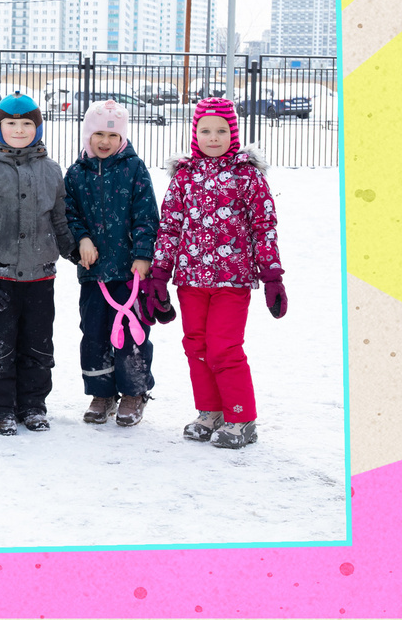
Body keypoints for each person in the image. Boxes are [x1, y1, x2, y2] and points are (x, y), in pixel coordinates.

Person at [151, 98, 283, 449]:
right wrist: (159, 273)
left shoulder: (247, 175)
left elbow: (263, 227)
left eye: (221, 130)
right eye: (206, 130)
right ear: (195, 134)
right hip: (190, 278)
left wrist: (272, 276)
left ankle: (241, 416)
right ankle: (210, 411)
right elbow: (169, 227)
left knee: (224, 347)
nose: (213, 137)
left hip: (232, 279)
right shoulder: (184, 176)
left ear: (233, 134)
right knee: (196, 346)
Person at [0, 93, 70, 435]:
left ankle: (33, 405)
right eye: (10, 123)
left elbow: (60, 221)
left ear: (38, 128)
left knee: (38, 346)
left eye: (26, 124)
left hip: (40, 277)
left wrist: (76, 251)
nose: (19, 130)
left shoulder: (51, 170)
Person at [64, 99, 159, 427]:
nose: (105, 141)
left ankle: (134, 392)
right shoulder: (76, 174)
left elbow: (146, 215)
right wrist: (81, 240)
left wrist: (143, 254)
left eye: (113, 135)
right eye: (99, 134)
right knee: (94, 333)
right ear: (87, 135)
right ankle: (101, 393)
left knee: (132, 333)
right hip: (94, 273)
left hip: (129, 272)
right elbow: (69, 214)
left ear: (122, 138)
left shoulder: (134, 169)